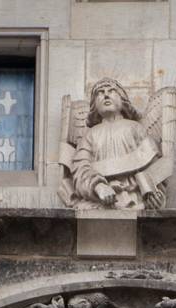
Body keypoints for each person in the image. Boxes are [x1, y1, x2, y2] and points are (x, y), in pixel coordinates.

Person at [67, 80, 165, 211]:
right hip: (99, 201)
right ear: (94, 105)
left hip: (134, 199)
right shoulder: (90, 134)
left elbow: (153, 164)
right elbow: (80, 168)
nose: (106, 95)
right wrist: (98, 187)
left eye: (111, 91)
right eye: (100, 93)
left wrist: (154, 193)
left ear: (122, 99)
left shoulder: (135, 128)